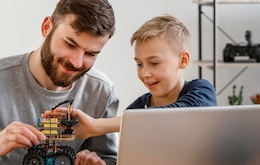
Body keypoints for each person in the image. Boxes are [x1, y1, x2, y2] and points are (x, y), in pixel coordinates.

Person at [0, 0, 120, 165]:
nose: (77, 62)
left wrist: (97, 163)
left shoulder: (102, 91)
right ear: (46, 27)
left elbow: (109, 161)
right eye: (70, 44)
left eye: (91, 54)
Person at [58, 14, 217, 139]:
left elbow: (179, 114)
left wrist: (96, 126)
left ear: (183, 60)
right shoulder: (136, 110)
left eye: (154, 63)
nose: (144, 73)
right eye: (139, 64)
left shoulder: (202, 90)